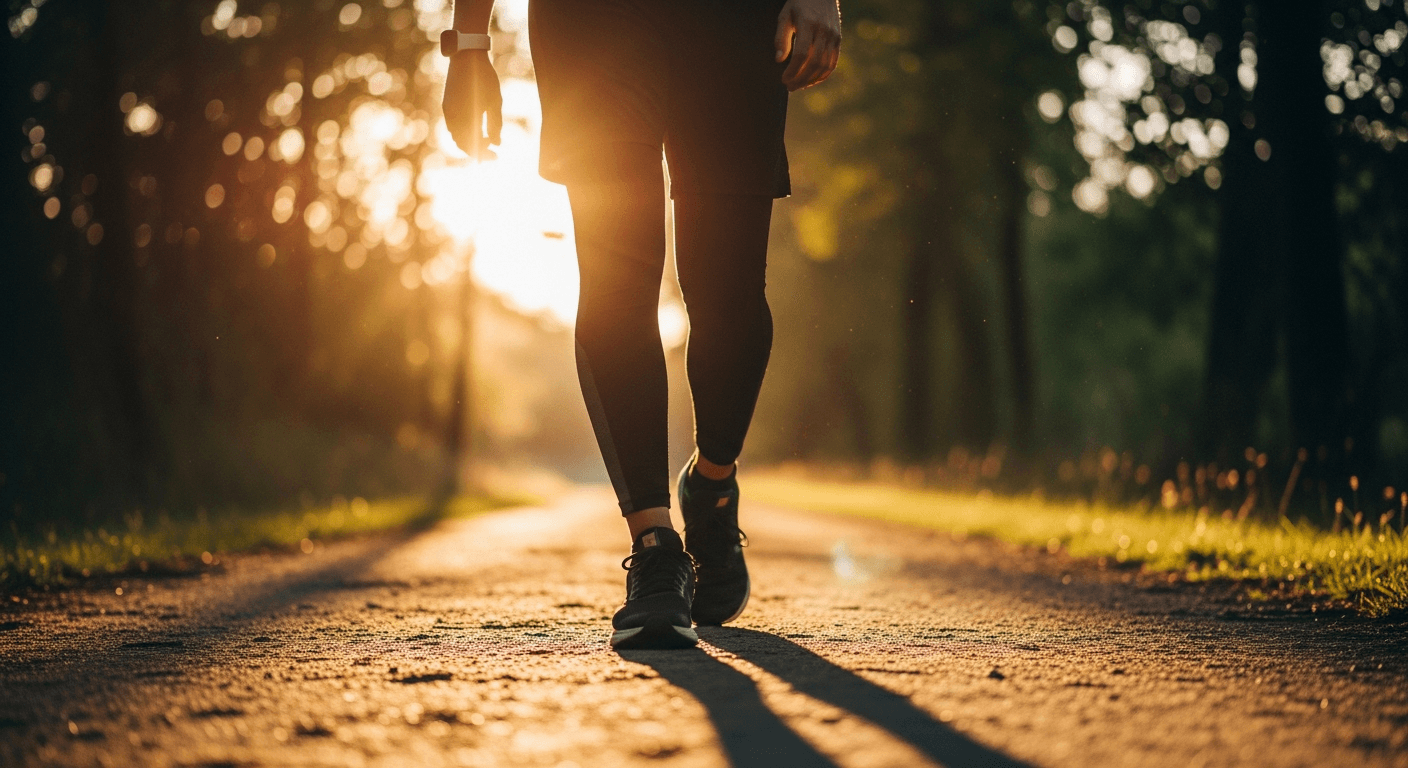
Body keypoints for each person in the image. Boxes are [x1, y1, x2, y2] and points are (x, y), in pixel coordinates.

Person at [441, 0, 841, 649]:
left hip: (729, 22)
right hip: (589, 24)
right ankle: (655, 547)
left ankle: (711, 480)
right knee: (616, 281)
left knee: (728, 294)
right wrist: (468, 40)